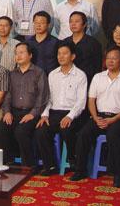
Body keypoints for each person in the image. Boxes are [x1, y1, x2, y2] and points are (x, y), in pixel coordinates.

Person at [71, 46, 120, 188]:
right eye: (108, 58)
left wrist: (114, 119)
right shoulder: (98, 77)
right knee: (83, 134)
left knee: (113, 135)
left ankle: (117, 174)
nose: (110, 61)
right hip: (99, 116)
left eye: (114, 58)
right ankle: (80, 170)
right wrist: (95, 118)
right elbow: (91, 100)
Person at [35, 40, 87, 175]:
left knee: (67, 129)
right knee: (41, 130)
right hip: (54, 112)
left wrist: (70, 116)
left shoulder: (80, 75)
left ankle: (73, 160)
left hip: (73, 112)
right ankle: (50, 165)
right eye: (59, 54)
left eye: (65, 53)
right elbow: (48, 98)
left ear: (73, 56)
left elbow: (81, 101)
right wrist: (45, 114)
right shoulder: (53, 74)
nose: (61, 56)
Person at [0, 42, 48, 169]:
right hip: (14, 111)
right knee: (0, 128)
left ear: (30, 55)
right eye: (16, 53)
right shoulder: (12, 74)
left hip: (31, 112)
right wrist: (7, 112)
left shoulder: (39, 72)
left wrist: (32, 114)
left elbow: (42, 97)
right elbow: (7, 96)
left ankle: (28, 166)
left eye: (22, 52)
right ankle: (6, 162)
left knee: (21, 131)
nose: (18, 56)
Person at [62, 12, 103, 85]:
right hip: (67, 82)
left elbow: (98, 67)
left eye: (77, 21)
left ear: (84, 24)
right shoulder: (64, 43)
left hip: (88, 82)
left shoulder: (94, 43)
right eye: (71, 21)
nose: (73, 24)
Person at [26, 11, 59, 75]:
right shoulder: (28, 43)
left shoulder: (55, 42)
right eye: (36, 23)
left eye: (42, 23)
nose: (38, 25)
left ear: (48, 25)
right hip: (31, 77)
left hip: (50, 77)